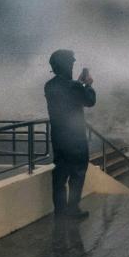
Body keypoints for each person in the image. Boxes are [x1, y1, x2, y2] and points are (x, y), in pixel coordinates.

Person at [44, 49, 96, 219]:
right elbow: (89, 101)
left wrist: (79, 84)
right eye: (72, 63)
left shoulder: (49, 86)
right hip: (76, 139)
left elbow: (67, 94)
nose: (73, 66)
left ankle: (60, 212)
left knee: (60, 175)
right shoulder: (73, 86)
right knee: (77, 175)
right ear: (66, 65)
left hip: (59, 138)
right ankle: (73, 210)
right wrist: (88, 84)